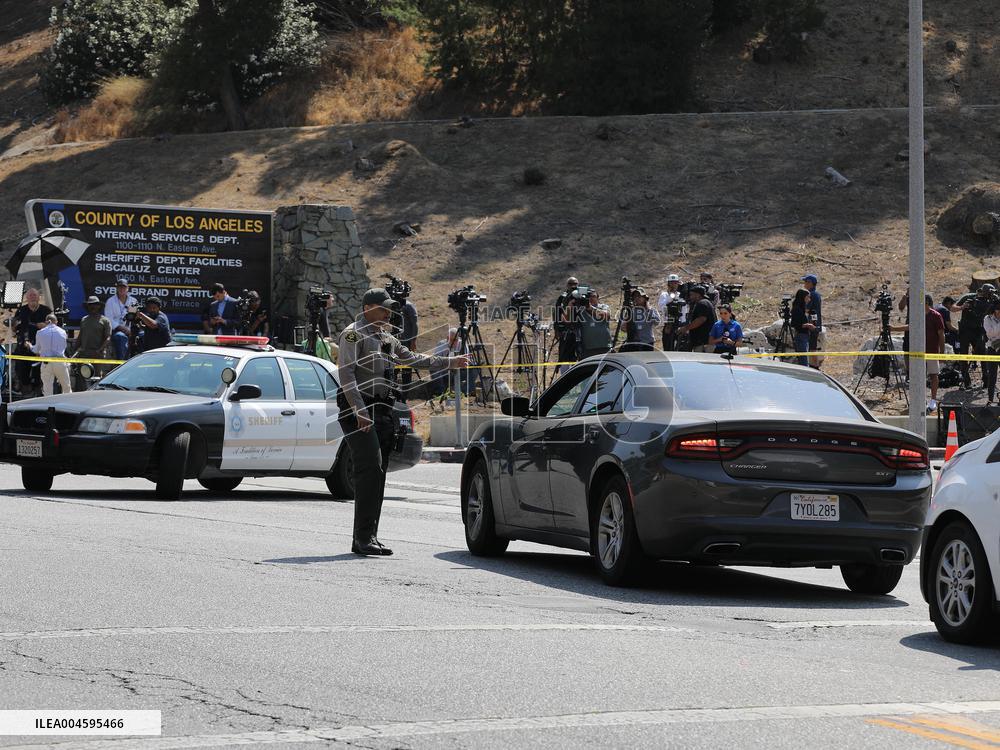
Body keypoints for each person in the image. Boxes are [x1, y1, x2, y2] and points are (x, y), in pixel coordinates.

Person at [337, 289, 470, 556]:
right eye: (383, 309)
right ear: (367, 308)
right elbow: (347, 374)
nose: (388, 314)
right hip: (359, 410)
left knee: (379, 472)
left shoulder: (385, 336)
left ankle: (368, 537)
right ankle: (363, 538)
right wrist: (359, 410)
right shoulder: (353, 334)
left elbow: (412, 358)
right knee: (369, 469)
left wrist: (450, 362)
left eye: (389, 309)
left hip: (383, 409)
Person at [891, 295, 945, 411]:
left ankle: (933, 400)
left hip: (932, 351)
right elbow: (910, 327)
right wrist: (894, 329)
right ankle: (921, 400)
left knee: (933, 375)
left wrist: (942, 352)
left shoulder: (936, 316)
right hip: (918, 352)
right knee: (918, 376)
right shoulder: (917, 315)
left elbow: (941, 335)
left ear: (927, 302)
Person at [13, 287, 52, 397]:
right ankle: (26, 393)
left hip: (41, 348)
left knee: (39, 374)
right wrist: (13, 325)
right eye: (30, 296)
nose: (32, 298)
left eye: (35, 295)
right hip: (23, 347)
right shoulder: (21, 310)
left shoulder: (46, 310)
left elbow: (54, 325)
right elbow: (14, 328)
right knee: (22, 372)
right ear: (27, 298)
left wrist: (45, 325)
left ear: (39, 297)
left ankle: (38, 393)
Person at [955, 284, 992, 389]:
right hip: (965, 331)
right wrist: (963, 307)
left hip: (978, 331)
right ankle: (966, 382)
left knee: (983, 355)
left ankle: (986, 380)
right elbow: (953, 307)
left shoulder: (989, 301)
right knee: (964, 356)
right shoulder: (968, 297)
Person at [29, 313, 70, 396]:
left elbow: (36, 350)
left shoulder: (40, 332)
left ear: (46, 322)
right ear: (56, 322)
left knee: (47, 389)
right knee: (66, 388)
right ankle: (68, 403)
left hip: (46, 363)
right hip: (60, 362)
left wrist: (30, 346)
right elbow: (64, 346)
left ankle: (48, 404)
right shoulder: (63, 332)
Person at [75, 296, 112, 383]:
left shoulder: (105, 320)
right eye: (90, 305)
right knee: (83, 378)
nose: (93, 307)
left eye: (95, 305)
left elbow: (108, 337)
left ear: (99, 306)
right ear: (87, 307)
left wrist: (100, 350)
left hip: (98, 355)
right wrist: (75, 350)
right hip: (84, 354)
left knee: (97, 378)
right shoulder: (84, 319)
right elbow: (80, 336)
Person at [104, 278, 138, 361]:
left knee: (142, 335)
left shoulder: (133, 301)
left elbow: (133, 317)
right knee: (120, 336)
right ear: (117, 288)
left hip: (130, 329)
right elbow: (109, 319)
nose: (122, 289)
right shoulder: (110, 301)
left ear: (127, 288)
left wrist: (131, 331)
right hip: (116, 330)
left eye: (124, 287)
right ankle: (123, 363)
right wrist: (123, 329)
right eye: (120, 287)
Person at [678, 285, 716, 352]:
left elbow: (701, 319)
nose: (690, 297)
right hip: (703, 341)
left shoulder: (702, 303)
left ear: (698, 295)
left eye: (692, 295)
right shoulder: (706, 302)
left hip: (704, 342)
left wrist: (686, 328)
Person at [554, 277, 580, 370]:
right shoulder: (562, 297)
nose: (573, 286)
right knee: (564, 354)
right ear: (567, 285)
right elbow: (557, 314)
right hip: (565, 330)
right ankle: (564, 374)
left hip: (579, 330)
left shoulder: (581, 296)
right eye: (570, 284)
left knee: (579, 354)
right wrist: (556, 330)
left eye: (575, 284)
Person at [622, 288, 659, 352]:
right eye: (635, 296)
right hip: (634, 343)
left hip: (647, 343)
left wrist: (648, 310)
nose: (637, 298)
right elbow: (623, 328)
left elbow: (657, 322)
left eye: (639, 296)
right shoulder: (630, 311)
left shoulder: (651, 310)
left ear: (645, 298)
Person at [579, 289, 612, 358]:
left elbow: (606, 316)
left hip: (604, 345)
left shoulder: (603, 307)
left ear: (598, 298)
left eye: (593, 296)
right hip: (588, 347)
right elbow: (567, 320)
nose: (591, 298)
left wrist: (590, 308)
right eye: (589, 296)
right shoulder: (581, 310)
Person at [657, 274, 685, 351]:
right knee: (668, 346)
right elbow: (662, 307)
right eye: (671, 283)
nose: (673, 285)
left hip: (679, 323)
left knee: (680, 347)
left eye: (675, 283)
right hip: (669, 323)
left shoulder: (681, 294)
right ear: (668, 283)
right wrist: (671, 297)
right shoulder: (664, 294)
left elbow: (684, 309)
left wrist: (683, 323)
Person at [802, 273, 823, 368]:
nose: (804, 284)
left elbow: (806, 309)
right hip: (816, 324)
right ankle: (815, 366)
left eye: (805, 282)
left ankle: (816, 367)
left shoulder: (811, 295)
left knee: (812, 349)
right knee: (812, 347)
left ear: (810, 283)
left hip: (812, 325)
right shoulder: (817, 294)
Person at [790, 288, 815, 367]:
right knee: (803, 361)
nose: (809, 299)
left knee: (804, 359)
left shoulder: (802, 308)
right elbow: (794, 323)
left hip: (805, 336)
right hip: (800, 336)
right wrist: (807, 325)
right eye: (807, 297)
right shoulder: (797, 309)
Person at [983, 303, 1000, 404]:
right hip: (992, 349)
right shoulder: (987, 318)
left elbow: (994, 333)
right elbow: (990, 333)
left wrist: (995, 332)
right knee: (992, 375)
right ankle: (990, 399)